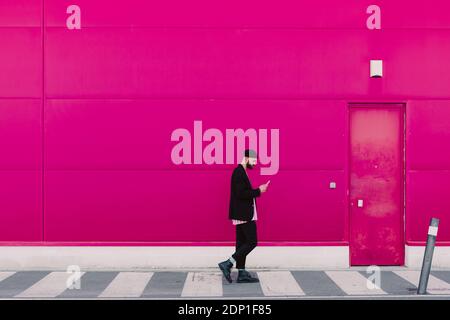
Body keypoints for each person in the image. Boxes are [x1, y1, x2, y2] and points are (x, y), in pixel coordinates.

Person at [218, 149, 270, 283]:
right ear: (246, 158)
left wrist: (258, 190)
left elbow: (242, 192)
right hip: (244, 214)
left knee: (241, 243)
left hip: (242, 214)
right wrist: (259, 191)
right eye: (253, 161)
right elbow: (240, 193)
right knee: (252, 242)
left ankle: (241, 273)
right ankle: (228, 263)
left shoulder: (241, 172)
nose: (254, 164)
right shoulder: (239, 172)